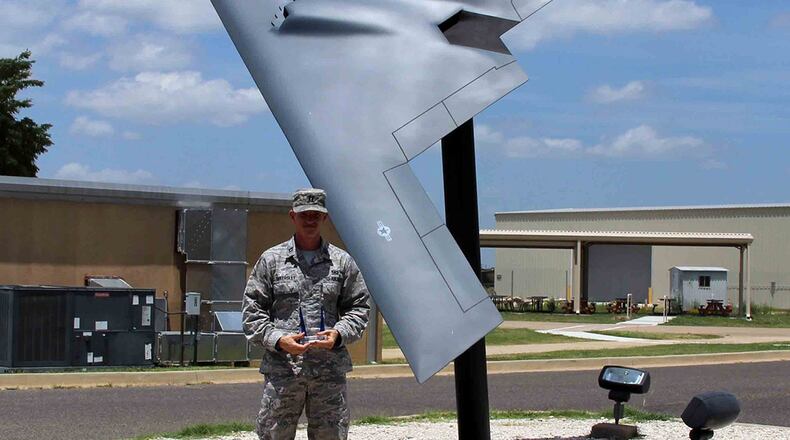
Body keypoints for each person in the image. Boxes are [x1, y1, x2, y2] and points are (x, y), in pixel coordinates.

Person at [243, 188, 370, 440]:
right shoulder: (272, 260)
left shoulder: (342, 262)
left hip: (328, 373)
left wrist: (338, 333)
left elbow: (359, 307)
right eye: (304, 215)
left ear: (325, 218)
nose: (310, 220)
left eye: (315, 215)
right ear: (293, 216)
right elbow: (251, 313)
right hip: (284, 370)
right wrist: (279, 340)